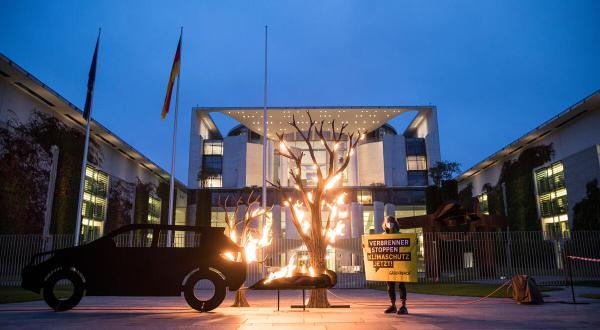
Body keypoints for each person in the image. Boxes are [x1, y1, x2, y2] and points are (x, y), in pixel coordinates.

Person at [382, 215, 408, 315]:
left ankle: (403, 306)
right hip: (389, 264)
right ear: (385, 224)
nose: (390, 223)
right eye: (388, 221)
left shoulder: (400, 235)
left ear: (395, 223)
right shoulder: (383, 235)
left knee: (401, 285)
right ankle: (393, 305)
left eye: (391, 221)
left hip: (400, 264)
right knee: (390, 285)